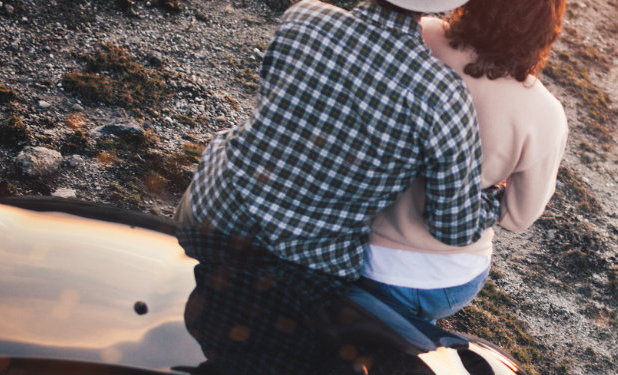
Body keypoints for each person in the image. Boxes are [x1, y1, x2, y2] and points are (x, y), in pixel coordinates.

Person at [174, 0, 504, 372]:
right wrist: (495, 198)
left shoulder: (304, 15)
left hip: (210, 216)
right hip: (301, 265)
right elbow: (453, 225)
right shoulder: (441, 93)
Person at [361, 0, 569, 324]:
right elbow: (517, 217)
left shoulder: (424, 34)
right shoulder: (546, 114)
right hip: (447, 277)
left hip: (360, 248)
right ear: (545, 30)